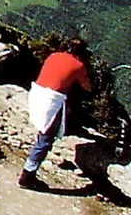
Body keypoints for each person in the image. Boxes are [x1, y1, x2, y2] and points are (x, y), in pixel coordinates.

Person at [20, 37, 93, 190]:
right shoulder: (78, 65)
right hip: (51, 101)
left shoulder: (53, 56)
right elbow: (88, 88)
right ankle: (27, 176)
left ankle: (29, 173)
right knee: (45, 140)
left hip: (37, 94)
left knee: (44, 132)